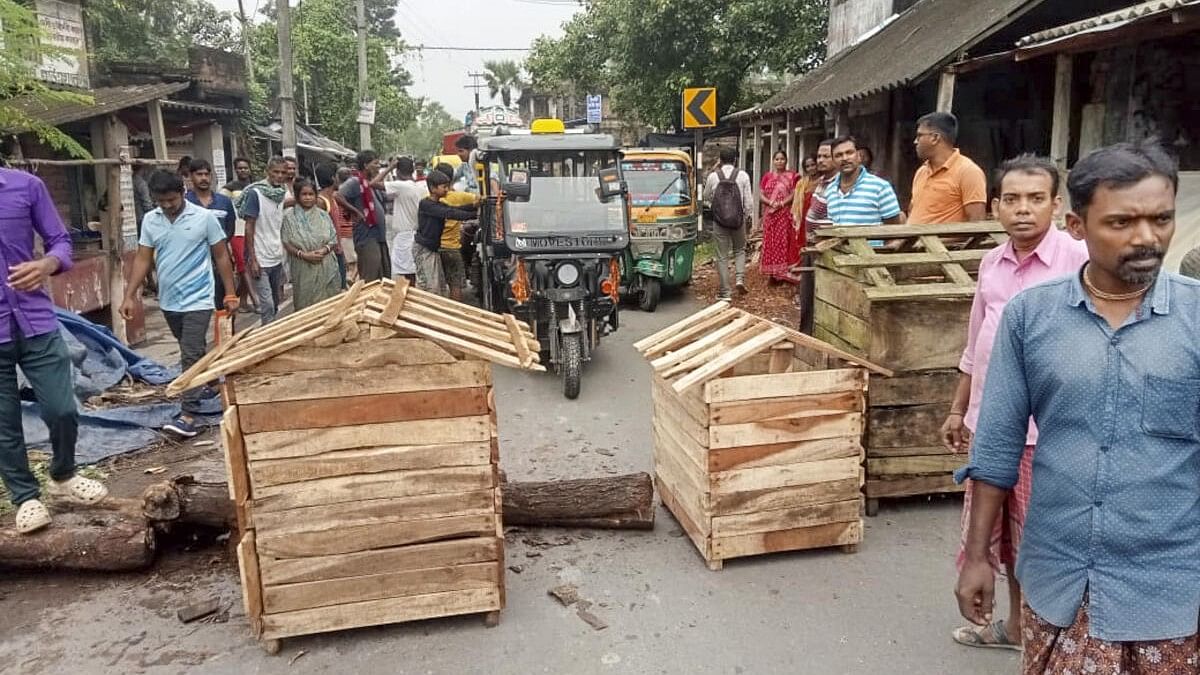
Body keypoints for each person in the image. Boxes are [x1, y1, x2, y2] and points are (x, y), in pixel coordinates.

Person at [955, 142, 1200, 674]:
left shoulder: (1196, 318)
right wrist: (978, 557)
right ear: (1077, 224)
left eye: (1161, 219)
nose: (1146, 237)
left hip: (1170, 589)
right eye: (1121, 222)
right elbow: (996, 445)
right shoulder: (1030, 317)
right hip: (1059, 581)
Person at [942, 155, 1088, 652]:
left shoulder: (1078, 258)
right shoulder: (992, 262)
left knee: (1042, 541)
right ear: (996, 206)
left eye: (1035, 199)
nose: (1022, 210)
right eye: (1011, 199)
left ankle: (1056, 637)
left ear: (1057, 204)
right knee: (1001, 537)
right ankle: (1017, 626)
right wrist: (959, 408)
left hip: (1048, 433)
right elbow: (976, 340)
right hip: (992, 426)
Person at [0, 166, 107, 534]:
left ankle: (63, 475)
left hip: (36, 320)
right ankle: (26, 497)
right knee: (4, 424)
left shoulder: (25, 186)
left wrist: (46, 263)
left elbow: (60, 241)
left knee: (62, 409)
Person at [122, 171, 238, 438]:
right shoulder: (151, 221)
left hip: (199, 298)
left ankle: (189, 415)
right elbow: (142, 258)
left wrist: (230, 293)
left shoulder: (204, 218)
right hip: (169, 300)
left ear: (182, 192)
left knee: (190, 351)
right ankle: (202, 380)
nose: (166, 205)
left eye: (171, 200)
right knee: (188, 347)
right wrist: (130, 295)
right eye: (160, 201)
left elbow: (221, 255)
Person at [238, 156, 290, 324]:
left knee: (275, 302)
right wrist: (252, 259)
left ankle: (271, 329)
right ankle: (267, 336)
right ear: (267, 172)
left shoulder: (280, 194)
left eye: (283, 172)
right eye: (276, 172)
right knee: (266, 303)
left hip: (276, 255)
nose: (280, 176)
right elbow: (249, 226)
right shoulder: (256, 193)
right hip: (259, 258)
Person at [910, 112, 988, 224]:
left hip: (942, 242)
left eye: (919, 135)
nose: (915, 141)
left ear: (935, 138)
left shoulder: (968, 171)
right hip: (913, 240)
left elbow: (976, 222)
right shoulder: (921, 172)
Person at [185, 158, 238, 312]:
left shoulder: (224, 202)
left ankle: (227, 336)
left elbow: (230, 230)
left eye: (206, 174)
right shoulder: (185, 203)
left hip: (220, 260)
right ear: (191, 176)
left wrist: (217, 246)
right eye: (199, 174)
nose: (203, 178)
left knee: (226, 306)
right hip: (194, 262)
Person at [413, 170, 478, 295]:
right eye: (444, 187)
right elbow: (450, 213)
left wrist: (474, 205)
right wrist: (474, 215)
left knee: (439, 286)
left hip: (433, 249)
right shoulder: (426, 204)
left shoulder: (439, 204)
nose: (447, 190)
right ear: (433, 188)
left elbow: (454, 209)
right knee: (430, 287)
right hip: (424, 250)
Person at [703, 146, 754, 300]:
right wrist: (745, 216)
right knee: (739, 250)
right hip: (738, 221)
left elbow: (706, 196)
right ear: (735, 159)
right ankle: (739, 279)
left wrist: (716, 207)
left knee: (722, 256)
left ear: (720, 160)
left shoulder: (713, 176)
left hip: (719, 222)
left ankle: (725, 292)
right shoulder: (743, 175)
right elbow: (749, 201)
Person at [281, 179, 341, 310]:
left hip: (325, 263)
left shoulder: (323, 215)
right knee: (306, 305)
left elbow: (333, 238)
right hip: (302, 266)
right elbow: (286, 242)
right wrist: (303, 255)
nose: (308, 198)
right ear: (297, 196)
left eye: (311, 194)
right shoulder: (289, 217)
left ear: (315, 196)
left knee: (328, 305)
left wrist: (325, 250)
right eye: (304, 194)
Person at [825, 136, 903, 227]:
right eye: (838, 155)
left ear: (859, 156)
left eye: (849, 153)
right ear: (833, 161)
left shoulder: (880, 187)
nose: (845, 158)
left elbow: (894, 230)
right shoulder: (830, 190)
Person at [339, 151, 391, 282]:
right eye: (375, 163)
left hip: (379, 236)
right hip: (366, 236)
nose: (379, 166)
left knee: (383, 276)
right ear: (365, 165)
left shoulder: (371, 184)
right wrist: (355, 212)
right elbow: (337, 196)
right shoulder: (355, 182)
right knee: (370, 276)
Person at [433, 161, 479, 301]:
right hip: (452, 248)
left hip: (434, 248)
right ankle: (455, 315)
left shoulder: (427, 198)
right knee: (456, 284)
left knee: (437, 286)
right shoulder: (459, 196)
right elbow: (478, 200)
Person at [220, 157, 256, 313]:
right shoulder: (228, 189)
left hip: (252, 230)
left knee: (248, 266)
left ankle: (243, 300)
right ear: (235, 170)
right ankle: (255, 299)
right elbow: (223, 210)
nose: (242, 170)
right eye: (239, 168)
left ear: (250, 169)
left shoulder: (255, 187)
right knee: (243, 266)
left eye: (245, 168)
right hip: (237, 230)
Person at [759, 151, 799, 284]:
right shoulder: (767, 176)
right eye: (777, 159)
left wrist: (782, 203)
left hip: (784, 213)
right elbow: (761, 194)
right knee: (770, 242)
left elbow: (794, 193)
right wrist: (770, 203)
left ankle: (782, 274)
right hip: (770, 215)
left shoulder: (792, 176)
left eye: (782, 159)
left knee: (783, 242)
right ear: (773, 161)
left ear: (786, 161)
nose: (779, 161)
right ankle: (771, 274)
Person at [385, 157, 427, 284]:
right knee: (411, 273)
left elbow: (372, 184)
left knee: (404, 276)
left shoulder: (401, 186)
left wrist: (389, 168)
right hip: (414, 233)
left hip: (404, 236)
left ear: (397, 172)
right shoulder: (417, 186)